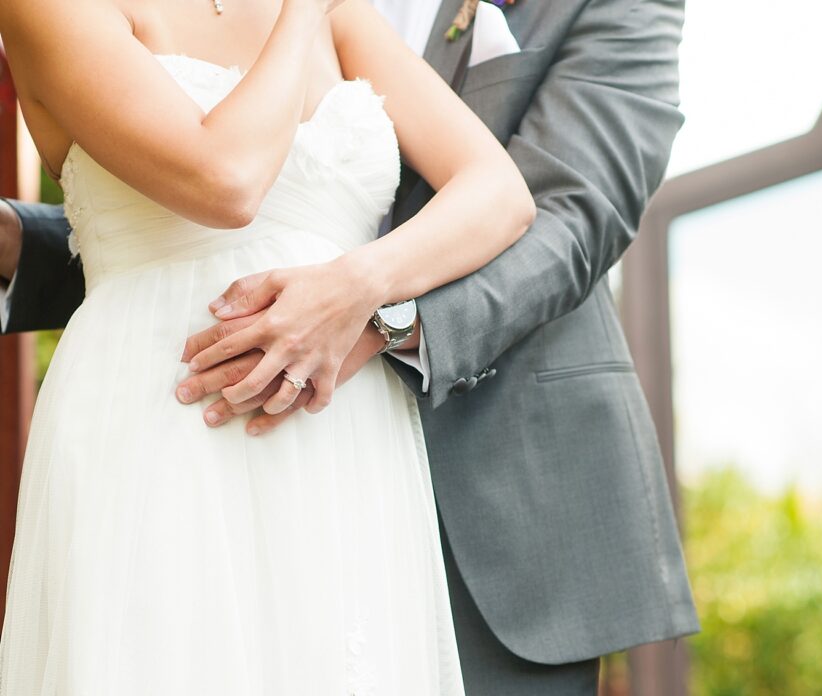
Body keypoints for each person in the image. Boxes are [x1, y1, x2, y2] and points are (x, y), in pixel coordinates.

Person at [0, 0, 699, 693]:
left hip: (427, 462)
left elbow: (561, 218)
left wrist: (361, 302)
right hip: (167, 416)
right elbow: (179, 208)